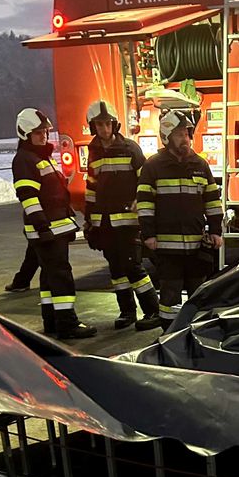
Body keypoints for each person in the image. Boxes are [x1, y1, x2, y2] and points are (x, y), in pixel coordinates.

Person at [12, 107, 96, 339]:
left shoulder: (39, 157)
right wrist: (42, 227)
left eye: (45, 132)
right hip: (46, 230)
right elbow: (28, 197)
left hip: (53, 228)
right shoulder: (25, 160)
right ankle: (67, 323)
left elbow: (54, 193)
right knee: (60, 276)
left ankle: (52, 321)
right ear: (25, 134)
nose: (43, 136)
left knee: (49, 276)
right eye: (38, 133)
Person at [137, 110, 223, 330]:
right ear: (166, 137)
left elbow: (212, 200)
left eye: (186, 133)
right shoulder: (153, 166)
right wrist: (148, 235)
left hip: (197, 246)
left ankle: (197, 333)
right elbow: (145, 204)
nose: (185, 138)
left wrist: (215, 231)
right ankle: (169, 335)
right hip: (167, 248)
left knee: (199, 292)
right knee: (170, 296)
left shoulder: (200, 165)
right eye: (179, 134)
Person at [83, 99, 160, 330]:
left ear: (114, 125)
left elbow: (145, 180)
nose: (104, 129)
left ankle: (152, 310)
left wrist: (142, 202)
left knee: (133, 267)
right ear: (93, 126)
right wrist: (89, 221)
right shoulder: (93, 151)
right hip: (104, 224)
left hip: (128, 223)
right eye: (99, 125)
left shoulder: (130, 148)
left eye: (108, 124)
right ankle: (127, 312)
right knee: (116, 269)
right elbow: (91, 187)